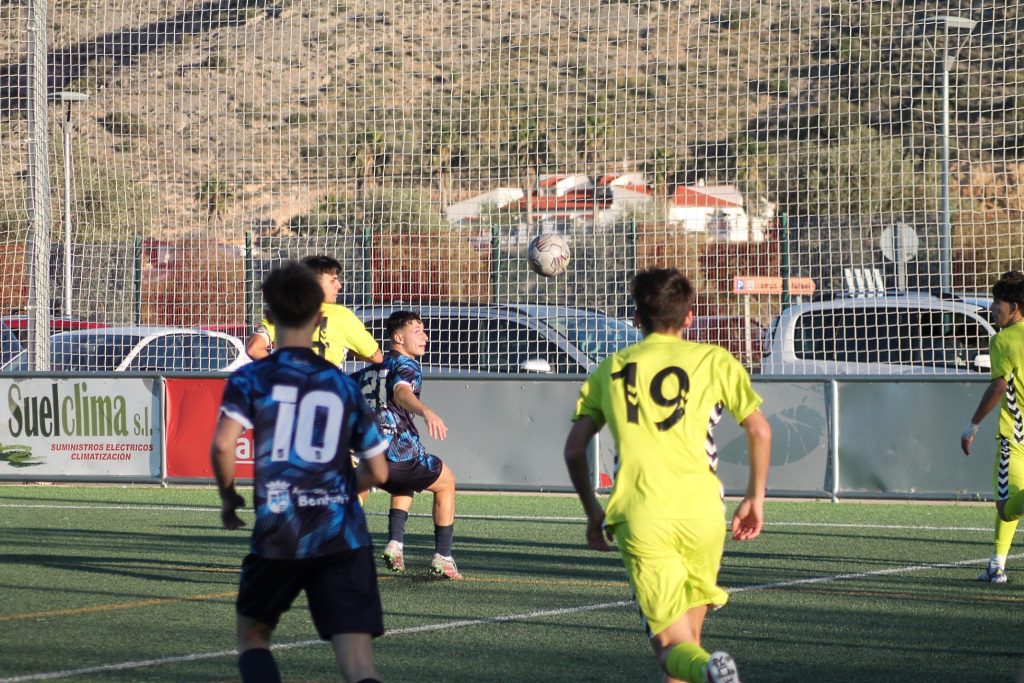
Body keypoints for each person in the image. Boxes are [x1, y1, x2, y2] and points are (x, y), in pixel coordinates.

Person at [563, 268, 771, 683]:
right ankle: (707, 669)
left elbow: (574, 450)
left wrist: (592, 511)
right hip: (702, 513)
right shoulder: (714, 360)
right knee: (689, 639)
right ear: (689, 316)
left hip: (643, 514)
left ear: (636, 318)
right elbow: (760, 430)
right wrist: (755, 497)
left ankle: (709, 668)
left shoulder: (612, 368)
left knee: (673, 649)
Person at [211, 261, 390, 683]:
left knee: (253, 635)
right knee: (359, 663)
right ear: (321, 319)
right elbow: (378, 471)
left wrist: (229, 498)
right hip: (342, 534)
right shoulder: (343, 385)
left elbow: (222, 444)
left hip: (280, 531)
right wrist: (340, 489)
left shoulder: (252, 378)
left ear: (269, 316)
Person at [354, 310, 462, 580]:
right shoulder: (407, 365)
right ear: (398, 338)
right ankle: (443, 557)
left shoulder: (371, 368)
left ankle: (395, 544)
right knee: (446, 481)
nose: (425, 337)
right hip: (399, 451)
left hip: (371, 455)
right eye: (417, 331)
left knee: (402, 483)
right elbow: (402, 391)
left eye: (424, 331)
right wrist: (426, 411)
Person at [961, 270, 1024, 584]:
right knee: (1013, 501)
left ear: (1015, 307)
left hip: (1016, 437)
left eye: (998, 301)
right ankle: (995, 565)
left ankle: (996, 565)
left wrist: (972, 425)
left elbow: (999, 385)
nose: (993, 307)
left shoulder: (1002, 340)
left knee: (1005, 507)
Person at [246, 254, 384, 366]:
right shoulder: (343, 316)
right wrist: (352, 349)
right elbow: (377, 357)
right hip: (325, 389)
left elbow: (254, 349)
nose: (339, 285)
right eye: (333, 280)